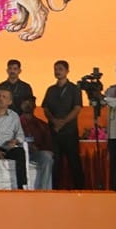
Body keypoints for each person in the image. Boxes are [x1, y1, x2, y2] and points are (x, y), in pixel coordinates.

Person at [41, 60, 85, 189]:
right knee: (56, 162)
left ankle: (80, 189)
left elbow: (77, 108)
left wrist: (63, 122)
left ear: (67, 71)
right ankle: (55, 189)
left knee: (74, 162)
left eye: (60, 69)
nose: (57, 71)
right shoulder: (51, 89)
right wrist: (54, 121)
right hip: (54, 131)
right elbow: (46, 108)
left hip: (69, 131)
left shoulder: (74, 89)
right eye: (55, 69)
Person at [18, 94, 54, 190]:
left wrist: (37, 148)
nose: (28, 104)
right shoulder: (15, 122)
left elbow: (48, 146)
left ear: (34, 105)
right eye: (25, 102)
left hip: (35, 154)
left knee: (47, 156)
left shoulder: (42, 125)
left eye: (30, 102)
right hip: (19, 153)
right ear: (20, 105)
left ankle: (43, 189)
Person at [103, 60, 116, 191]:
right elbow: (101, 101)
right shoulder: (112, 89)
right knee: (114, 165)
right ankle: (115, 191)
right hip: (113, 133)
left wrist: (104, 98)